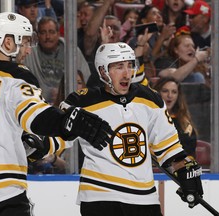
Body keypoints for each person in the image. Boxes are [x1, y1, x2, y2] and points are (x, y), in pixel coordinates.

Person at [0, 12, 114, 216]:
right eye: (24, 42)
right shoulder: (15, 78)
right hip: (1, 191)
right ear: (7, 42)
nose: (28, 49)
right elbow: (39, 118)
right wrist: (69, 123)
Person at [58, 42, 204, 215]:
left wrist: (185, 173)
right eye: (119, 67)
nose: (127, 73)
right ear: (103, 71)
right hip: (100, 196)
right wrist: (38, 146)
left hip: (145, 198)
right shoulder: (82, 102)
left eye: (129, 65)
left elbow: (169, 147)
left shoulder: (150, 98)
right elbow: (56, 137)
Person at [24, 16, 91, 105]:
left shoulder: (72, 50)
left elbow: (84, 78)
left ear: (58, 34)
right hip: (38, 103)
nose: (47, 37)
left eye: (51, 32)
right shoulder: (29, 53)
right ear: (38, 35)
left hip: (71, 101)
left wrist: (63, 93)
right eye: (43, 32)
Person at [153, 77, 197, 158]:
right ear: (157, 93)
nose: (170, 95)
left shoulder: (185, 124)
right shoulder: (147, 119)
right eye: (165, 91)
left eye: (174, 92)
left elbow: (189, 153)